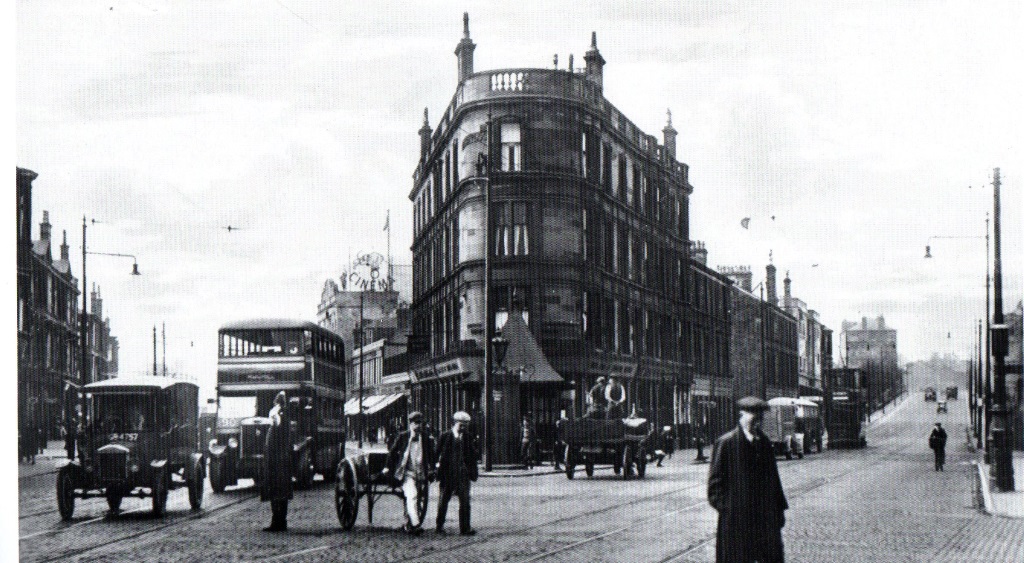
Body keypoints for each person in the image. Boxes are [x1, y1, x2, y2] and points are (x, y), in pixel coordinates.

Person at [708, 396, 788, 563]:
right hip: (737, 521)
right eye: (753, 418)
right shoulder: (726, 443)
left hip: (765, 519)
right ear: (741, 415)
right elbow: (715, 485)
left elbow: (774, 480)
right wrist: (729, 509)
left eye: (760, 419)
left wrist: (779, 511)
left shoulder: (764, 443)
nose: (757, 423)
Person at [383, 411, 436, 535]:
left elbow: (432, 455)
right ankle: (416, 524)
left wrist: (433, 469)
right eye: (416, 423)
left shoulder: (426, 438)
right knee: (412, 496)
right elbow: (392, 452)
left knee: (413, 498)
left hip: (421, 473)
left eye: (420, 423)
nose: (418, 426)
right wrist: (387, 467)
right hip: (407, 473)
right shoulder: (403, 436)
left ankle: (408, 523)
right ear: (410, 424)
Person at [435, 411, 479, 536]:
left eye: (466, 425)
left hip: (463, 475)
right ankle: (439, 526)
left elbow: (472, 456)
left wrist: (473, 470)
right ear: (454, 423)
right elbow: (436, 453)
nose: (463, 428)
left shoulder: (468, 437)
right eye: (461, 425)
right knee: (443, 500)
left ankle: (465, 528)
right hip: (447, 474)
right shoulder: (445, 436)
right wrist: (436, 468)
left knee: (465, 501)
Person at [261, 391, 292, 532]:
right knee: (281, 492)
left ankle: (277, 521)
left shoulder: (278, 424)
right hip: (281, 462)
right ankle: (280, 521)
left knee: (276, 491)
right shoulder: (283, 423)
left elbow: (275, 444)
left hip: (276, 463)